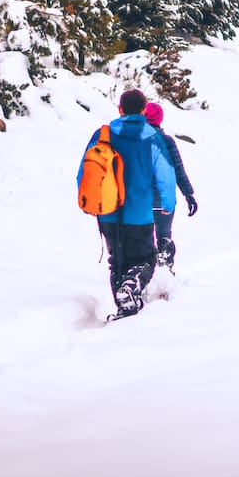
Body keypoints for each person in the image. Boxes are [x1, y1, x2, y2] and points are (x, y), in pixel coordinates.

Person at [77, 88, 176, 319]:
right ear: (143, 110)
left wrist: (88, 200)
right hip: (139, 213)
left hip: (107, 212)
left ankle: (126, 308)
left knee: (117, 262)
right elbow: (166, 176)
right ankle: (131, 289)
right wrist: (168, 204)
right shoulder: (152, 137)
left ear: (120, 109)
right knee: (146, 259)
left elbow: (85, 171)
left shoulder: (102, 134)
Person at [144, 102, 198, 271]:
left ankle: (146, 273)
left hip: (141, 200)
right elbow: (178, 170)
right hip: (163, 200)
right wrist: (188, 194)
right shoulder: (167, 141)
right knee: (164, 236)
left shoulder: (136, 142)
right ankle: (165, 273)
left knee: (145, 239)